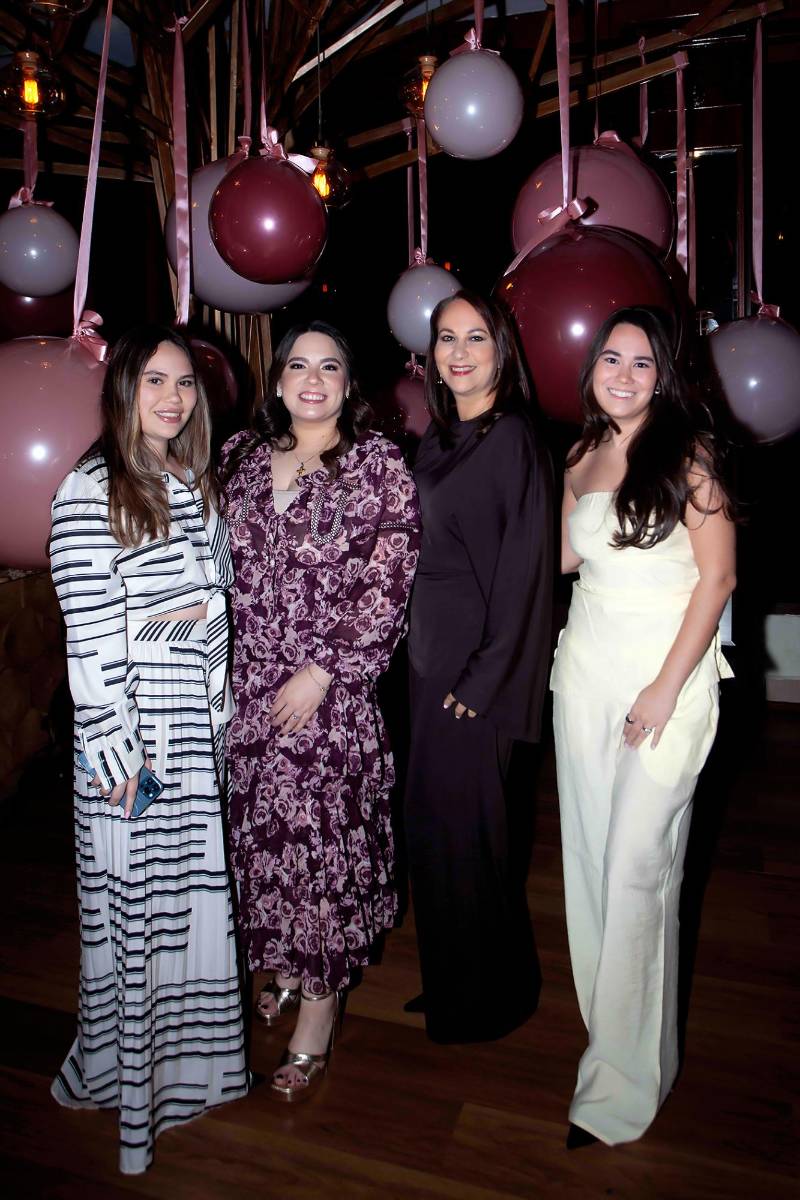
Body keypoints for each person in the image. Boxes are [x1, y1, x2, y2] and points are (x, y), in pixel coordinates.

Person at [49, 326, 248, 1175]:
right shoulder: (87, 491)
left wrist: (220, 714)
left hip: (193, 736)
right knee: (134, 914)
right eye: (154, 381)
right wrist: (116, 761)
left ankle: (190, 1074)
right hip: (131, 739)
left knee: (190, 910)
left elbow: (211, 614)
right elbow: (89, 646)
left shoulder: (193, 483)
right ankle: (134, 1090)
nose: (173, 398)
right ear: (122, 388)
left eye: (185, 384)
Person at [220, 320, 421, 1101]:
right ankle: (282, 967)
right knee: (259, 845)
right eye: (296, 365)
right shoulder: (238, 456)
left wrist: (323, 671)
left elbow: (388, 582)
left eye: (328, 366)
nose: (311, 379)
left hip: (326, 697)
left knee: (321, 854)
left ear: (348, 382)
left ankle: (320, 1004)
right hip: (245, 691)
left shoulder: (376, 465)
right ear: (276, 381)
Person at [551, 306, 736, 1148]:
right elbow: (561, 563)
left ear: (665, 374)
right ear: (592, 369)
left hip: (665, 684)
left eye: (641, 363)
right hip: (583, 677)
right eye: (610, 359)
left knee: (635, 874)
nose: (622, 375)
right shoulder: (581, 456)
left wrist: (665, 687)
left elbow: (717, 579)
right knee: (590, 867)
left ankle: (624, 1088)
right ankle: (613, 1046)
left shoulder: (689, 456)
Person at [404, 289, 553, 1044]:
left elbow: (528, 572)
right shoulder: (439, 435)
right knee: (435, 831)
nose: (458, 353)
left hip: (474, 669)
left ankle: (494, 994)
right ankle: (452, 979)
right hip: (429, 664)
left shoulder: (512, 438)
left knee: (475, 836)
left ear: (502, 350)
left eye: (476, 338)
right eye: (445, 339)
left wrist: (484, 677)